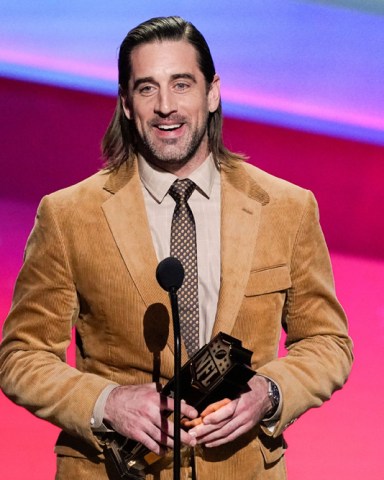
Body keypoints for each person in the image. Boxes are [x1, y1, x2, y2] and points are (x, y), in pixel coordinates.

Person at [0, 15, 353, 480]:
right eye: (147, 89)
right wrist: (108, 403)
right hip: (114, 469)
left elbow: (328, 342)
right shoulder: (68, 215)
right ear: (126, 104)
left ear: (212, 92)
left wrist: (270, 391)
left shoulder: (286, 208)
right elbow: (21, 357)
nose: (166, 106)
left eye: (181, 84)